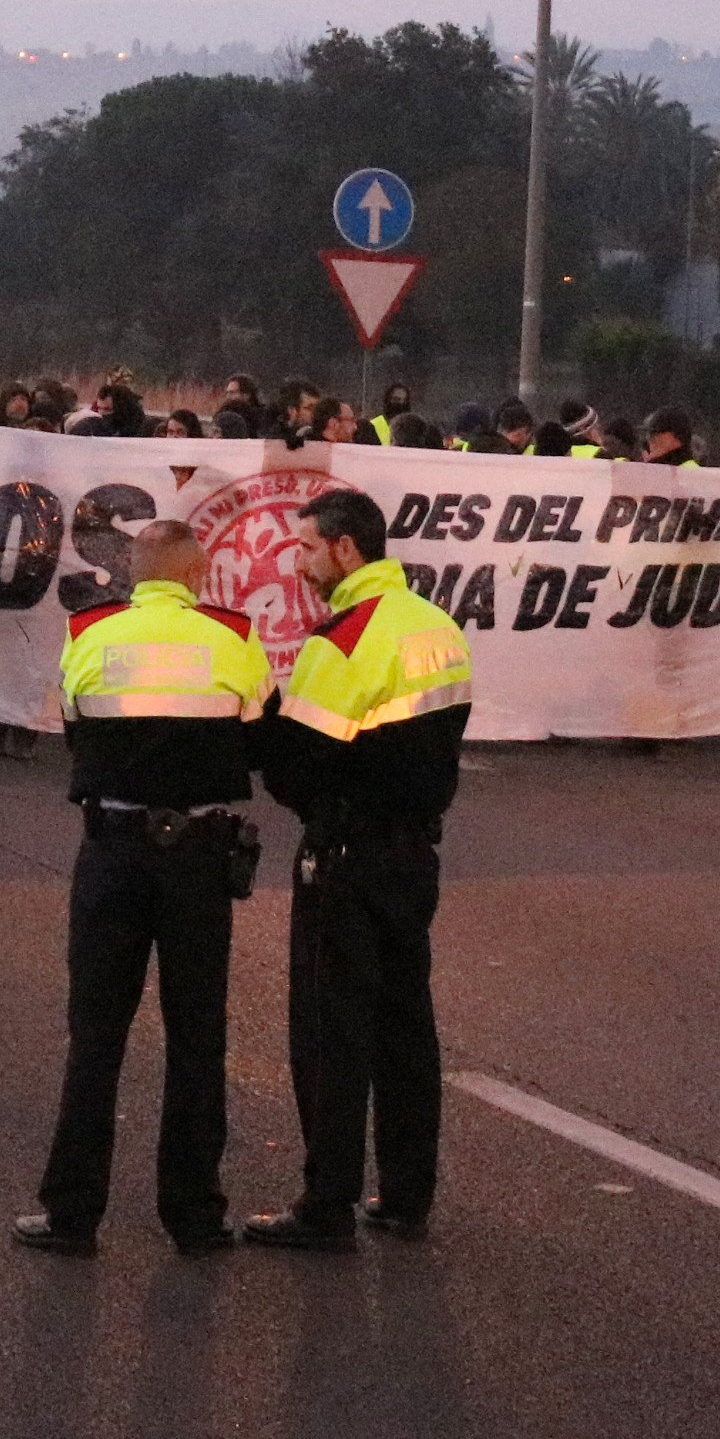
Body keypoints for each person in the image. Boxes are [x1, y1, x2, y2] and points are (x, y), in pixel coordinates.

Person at [15, 521, 270, 1257]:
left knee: (95, 1036)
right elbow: (255, 732)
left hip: (114, 851)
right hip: (197, 856)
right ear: (199, 573)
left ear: (132, 571)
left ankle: (71, 1214)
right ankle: (194, 1214)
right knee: (198, 1036)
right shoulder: (233, 636)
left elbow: (74, 727)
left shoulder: (89, 632)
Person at [243, 489, 474, 1249]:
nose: (300, 563)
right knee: (407, 1026)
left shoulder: (341, 640)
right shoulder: (436, 624)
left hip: (344, 859)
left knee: (330, 1033)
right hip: (414, 856)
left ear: (346, 550)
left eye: (308, 548)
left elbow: (298, 765)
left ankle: (326, 1206)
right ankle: (407, 1195)